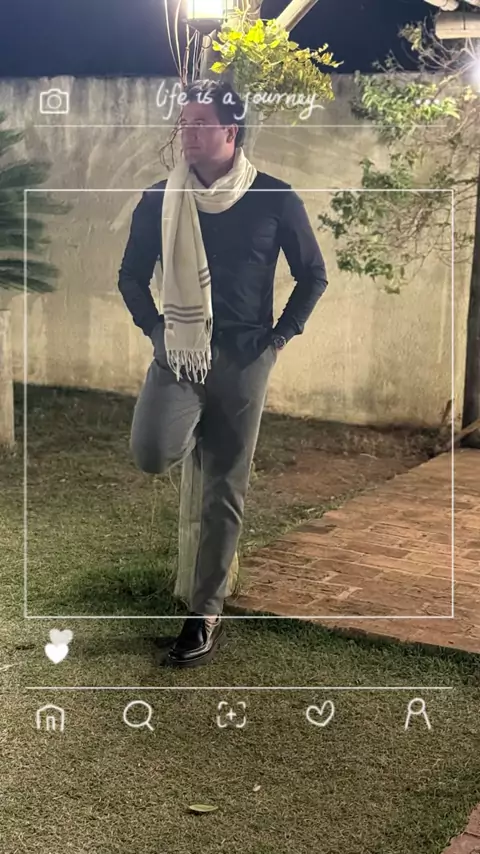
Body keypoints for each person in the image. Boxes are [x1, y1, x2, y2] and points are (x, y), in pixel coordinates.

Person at [118, 78, 328, 669]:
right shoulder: (160, 198)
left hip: (244, 360)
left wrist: (278, 340)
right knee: (152, 450)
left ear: (230, 131)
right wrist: (156, 331)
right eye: (184, 123)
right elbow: (131, 276)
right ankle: (197, 428)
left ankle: (204, 613)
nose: (187, 133)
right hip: (179, 355)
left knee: (225, 489)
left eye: (200, 123)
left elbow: (313, 275)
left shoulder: (274, 197)